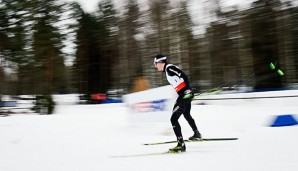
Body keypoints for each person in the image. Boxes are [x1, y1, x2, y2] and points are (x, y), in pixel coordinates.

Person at [154, 54, 202, 152]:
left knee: (173, 119)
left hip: (185, 95)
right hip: (185, 94)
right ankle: (196, 133)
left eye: (156, 64)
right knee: (187, 114)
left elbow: (184, 75)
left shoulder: (169, 68)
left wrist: (188, 90)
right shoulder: (168, 70)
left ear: (160, 62)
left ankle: (181, 145)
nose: (155, 66)